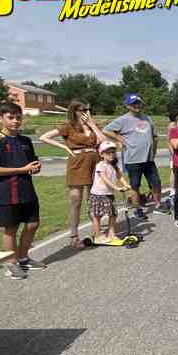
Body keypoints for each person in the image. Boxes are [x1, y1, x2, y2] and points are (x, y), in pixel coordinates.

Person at [0, 102, 46, 280]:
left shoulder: (25, 140)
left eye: (18, 117)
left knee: (33, 224)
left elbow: (31, 164)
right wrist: (21, 169)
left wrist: (35, 167)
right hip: (7, 193)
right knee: (10, 229)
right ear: (0, 119)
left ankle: (24, 257)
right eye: (10, 117)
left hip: (27, 190)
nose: (15, 121)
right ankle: (11, 264)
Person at [40, 99, 106, 249]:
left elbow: (103, 140)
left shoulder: (92, 125)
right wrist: (64, 147)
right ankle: (74, 236)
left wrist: (93, 125)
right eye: (83, 110)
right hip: (77, 164)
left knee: (94, 199)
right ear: (75, 111)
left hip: (95, 163)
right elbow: (44, 137)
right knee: (76, 200)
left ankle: (96, 230)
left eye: (88, 109)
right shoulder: (69, 126)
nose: (87, 113)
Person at [103, 93, 168, 220]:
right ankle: (137, 209)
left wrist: (153, 151)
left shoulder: (147, 118)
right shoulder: (123, 120)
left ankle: (158, 205)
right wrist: (118, 138)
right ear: (128, 106)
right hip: (132, 159)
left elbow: (154, 136)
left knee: (156, 183)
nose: (137, 105)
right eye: (134, 104)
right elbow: (106, 130)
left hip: (148, 159)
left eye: (138, 103)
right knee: (135, 185)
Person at [89, 141, 131, 244]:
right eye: (108, 153)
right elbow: (105, 179)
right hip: (98, 194)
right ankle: (98, 236)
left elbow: (120, 176)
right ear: (102, 154)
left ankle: (111, 234)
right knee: (97, 215)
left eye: (113, 152)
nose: (111, 155)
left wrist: (126, 184)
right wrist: (116, 188)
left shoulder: (114, 166)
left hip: (109, 195)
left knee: (113, 214)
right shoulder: (100, 165)